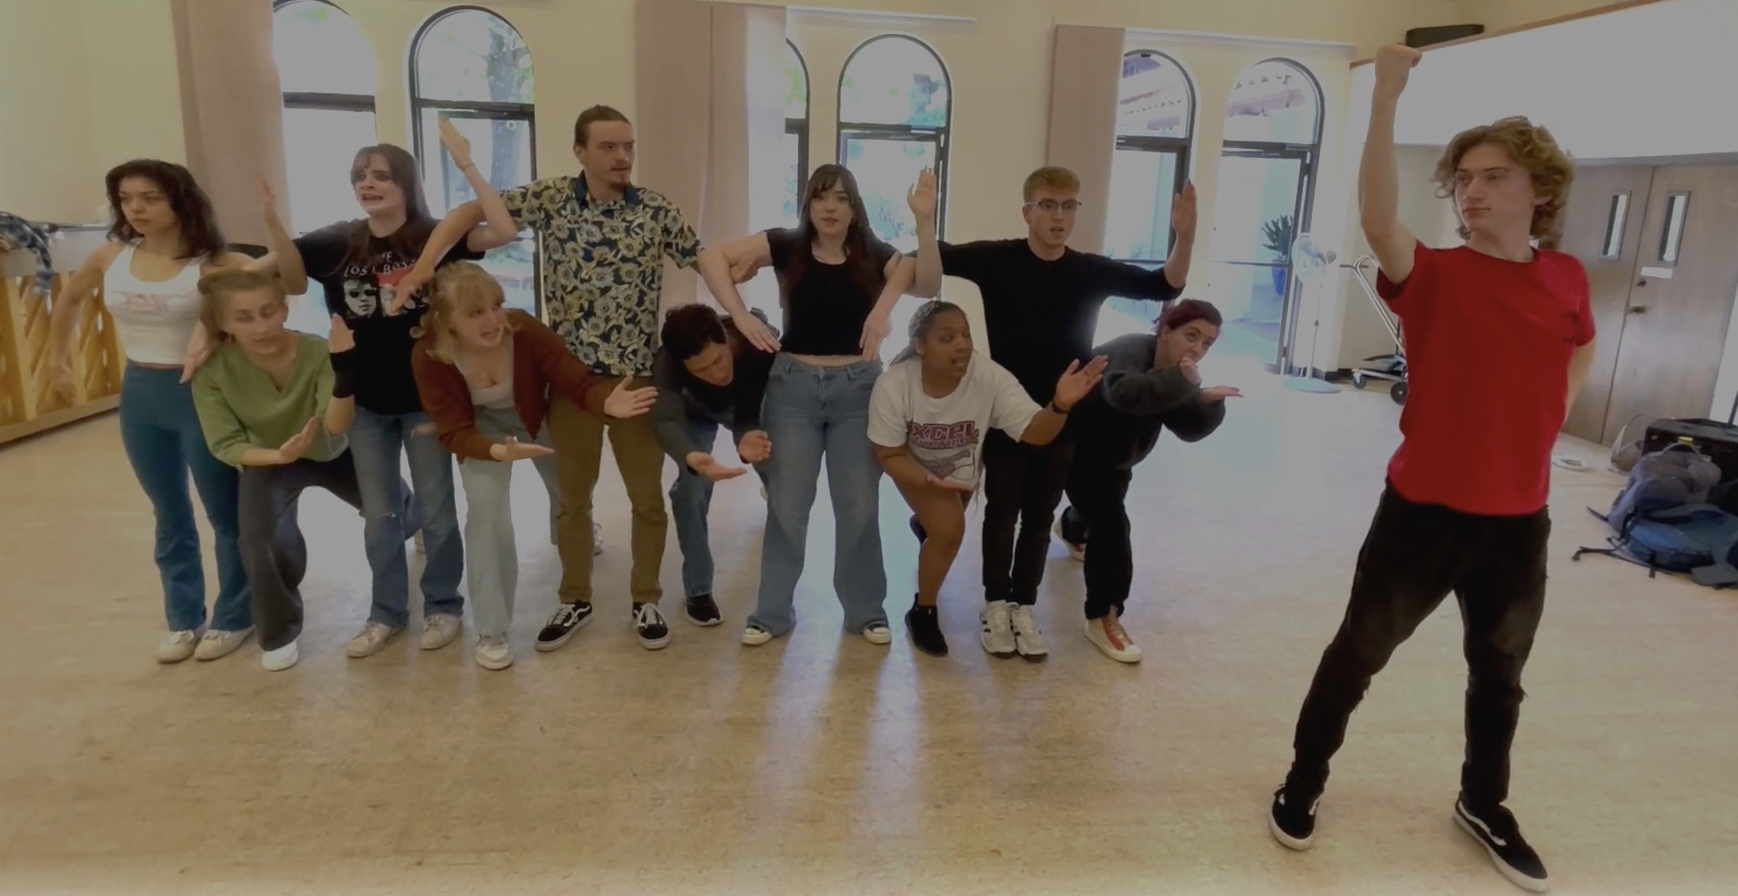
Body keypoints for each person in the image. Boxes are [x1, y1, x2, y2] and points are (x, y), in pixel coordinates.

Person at [1267, 45, 1596, 895]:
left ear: (1539, 191)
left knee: (1501, 676)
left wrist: (1554, 412)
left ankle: (1483, 803)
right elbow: (1380, 220)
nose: (1471, 191)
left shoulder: (1565, 277)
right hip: (1423, 514)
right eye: (1463, 180)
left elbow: (1582, 343)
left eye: (1493, 177)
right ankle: (1302, 780)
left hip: (1519, 521)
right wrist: (1385, 96)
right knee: (1357, 656)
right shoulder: (1436, 274)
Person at [407, 105, 700, 651]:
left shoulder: (656, 210)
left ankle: (646, 599)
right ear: (580, 151)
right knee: (571, 501)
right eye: (609, 146)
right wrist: (427, 264)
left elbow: (705, 257)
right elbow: (473, 213)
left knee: (646, 499)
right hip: (570, 380)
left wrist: (743, 304)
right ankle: (575, 599)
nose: (622, 156)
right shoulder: (552, 198)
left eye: (628, 146)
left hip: (635, 380)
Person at [252, 124, 518, 658]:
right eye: (359, 176)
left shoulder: (431, 237)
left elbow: (503, 229)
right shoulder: (337, 239)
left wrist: (466, 164)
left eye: (380, 176)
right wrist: (273, 225)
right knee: (380, 519)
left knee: (437, 513)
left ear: (405, 184)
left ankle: (443, 605)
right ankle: (386, 613)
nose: (367, 184)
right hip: (365, 403)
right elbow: (276, 278)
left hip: (426, 402)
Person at [913, 166, 1195, 659]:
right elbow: (932, 261)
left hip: (1065, 412)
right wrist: (924, 218)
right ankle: (995, 604)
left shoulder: (1089, 269)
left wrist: (1185, 237)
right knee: (1002, 513)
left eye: (1068, 206)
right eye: (1047, 205)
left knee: (1040, 517)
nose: (1058, 216)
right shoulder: (997, 258)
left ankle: (1024, 606)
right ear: (1028, 212)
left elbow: (1165, 285)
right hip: (1006, 411)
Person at [694, 165, 937, 647]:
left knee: (859, 506)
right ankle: (771, 613)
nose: (831, 207)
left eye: (842, 198)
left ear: (854, 210)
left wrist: (923, 224)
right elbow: (711, 256)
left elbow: (925, 281)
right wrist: (740, 317)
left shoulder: (873, 253)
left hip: (858, 392)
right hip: (794, 390)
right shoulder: (786, 245)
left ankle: (866, 611)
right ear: (808, 204)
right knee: (787, 506)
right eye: (822, 197)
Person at [41, 160, 256, 664]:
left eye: (149, 198)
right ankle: (183, 618)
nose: (135, 208)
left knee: (224, 511)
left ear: (180, 200)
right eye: (126, 199)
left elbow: (279, 278)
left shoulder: (216, 262)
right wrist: (57, 360)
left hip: (201, 394)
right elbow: (70, 300)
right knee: (168, 512)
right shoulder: (109, 255)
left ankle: (236, 613)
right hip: (140, 392)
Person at [410, 262, 657, 670]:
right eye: (476, 313)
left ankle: (575, 544)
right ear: (445, 320)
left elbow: (571, 375)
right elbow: (453, 431)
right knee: (486, 519)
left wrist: (605, 402)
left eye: (496, 305)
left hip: (536, 416)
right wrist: (496, 452)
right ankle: (492, 630)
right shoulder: (429, 354)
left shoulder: (522, 328)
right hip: (481, 432)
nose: (493, 319)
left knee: (570, 495)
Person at [867, 301, 1104, 657]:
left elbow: (1036, 433)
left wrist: (1059, 405)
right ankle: (923, 611)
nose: (962, 344)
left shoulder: (989, 377)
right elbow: (888, 454)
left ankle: (925, 524)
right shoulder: (894, 384)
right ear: (920, 345)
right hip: (912, 465)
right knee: (949, 530)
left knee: (942, 523)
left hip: (960, 473)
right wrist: (929, 482)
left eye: (965, 335)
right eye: (947, 338)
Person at [190, 269, 387, 672]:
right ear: (223, 324)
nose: (261, 326)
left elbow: (335, 425)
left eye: (268, 312)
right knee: (259, 539)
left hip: (333, 451)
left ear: (284, 309)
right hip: (269, 460)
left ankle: (408, 519)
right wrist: (279, 456)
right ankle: (279, 632)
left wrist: (345, 369)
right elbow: (225, 444)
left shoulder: (316, 351)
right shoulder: (213, 372)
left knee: (393, 513)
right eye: (244, 318)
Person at [1055, 299, 1237, 663]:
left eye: (1207, 343)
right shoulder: (1129, 350)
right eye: (1191, 336)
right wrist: (1184, 383)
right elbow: (1125, 393)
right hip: (1075, 451)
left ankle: (1072, 527)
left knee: (1099, 512)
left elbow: (1185, 427)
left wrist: (1205, 403)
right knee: (1111, 526)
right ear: (1166, 330)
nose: (1198, 349)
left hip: (1117, 461)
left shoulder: (1177, 369)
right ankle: (1102, 616)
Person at [651, 303, 779, 628]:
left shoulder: (759, 341)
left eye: (719, 360)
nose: (716, 373)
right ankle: (698, 589)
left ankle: (781, 583)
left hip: (751, 407)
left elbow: (752, 409)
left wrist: (745, 436)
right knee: (690, 488)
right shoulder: (668, 362)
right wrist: (691, 457)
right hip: (696, 413)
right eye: (702, 370)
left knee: (778, 473)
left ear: (726, 338)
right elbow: (665, 421)